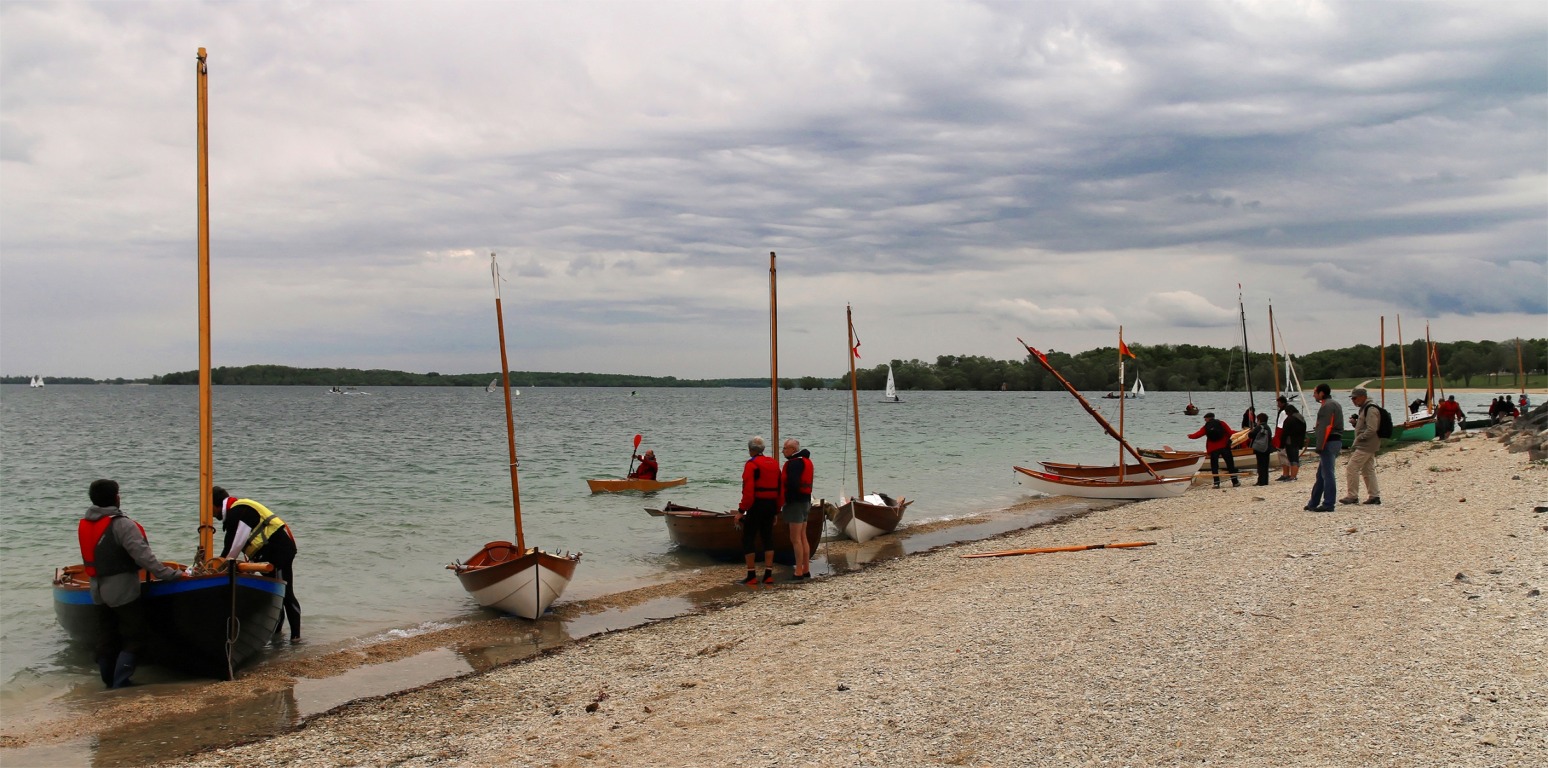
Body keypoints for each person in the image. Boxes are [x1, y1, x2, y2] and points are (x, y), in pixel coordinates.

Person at [78, 479, 184, 688]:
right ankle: (121, 682)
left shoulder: (85, 523)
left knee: (107, 636)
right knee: (136, 635)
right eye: (118, 493)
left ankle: (107, 681)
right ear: (116, 497)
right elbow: (144, 557)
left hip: (96, 590)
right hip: (122, 590)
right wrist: (170, 574)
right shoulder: (121, 524)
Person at [213, 487, 300, 641]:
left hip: (279, 551)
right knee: (276, 593)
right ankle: (277, 637)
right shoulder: (237, 510)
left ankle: (295, 638)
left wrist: (216, 570)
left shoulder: (238, 512)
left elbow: (233, 548)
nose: (210, 514)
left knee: (285, 593)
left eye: (209, 508)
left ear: (216, 504)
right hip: (268, 553)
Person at [736, 437, 781, 586]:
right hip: (771, 505)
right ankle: (768, 575)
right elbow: (780, 489)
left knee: (748, 538)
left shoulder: (751, 465)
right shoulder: (774, 463)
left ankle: (751, 576)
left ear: (751, 450)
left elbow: (748, 492)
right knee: (768, 538)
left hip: (756, 505)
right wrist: (777, 510)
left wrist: (741, 511)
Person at [1305, 383, 1344, 512]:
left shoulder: (1326, 406)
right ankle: (1313, 503)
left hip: (1329, 442)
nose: (1313, 395)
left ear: (1322, 393)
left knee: (1327, 474)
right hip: (1336, 441)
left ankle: (1328, 504)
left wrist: (1319, 446)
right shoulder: (1335, 404)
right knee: (1321, 475)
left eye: (1315, 393)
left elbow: (1325, 428)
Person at [1339, 388, 1382, 505]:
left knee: (1352, 467)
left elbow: (1372, 429)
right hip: (1369, 444)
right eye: (1352, 398)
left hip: (1366, 444)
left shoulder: (1371, 408)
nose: (1353, 401)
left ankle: (1352, 496)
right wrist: (1356, 423)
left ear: (1363, 396)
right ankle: (1374, 496)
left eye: (1355, 398)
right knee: (1368, 469)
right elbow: (1366, 426)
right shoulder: (1365, 408)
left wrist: (1359, 438)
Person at [780, 438, 815, 580]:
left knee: (795, 539)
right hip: (806, 502)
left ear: (793, 449)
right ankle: (806, 568)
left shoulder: (794, 464)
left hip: (795, 504)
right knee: (802, 536)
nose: (783, 451)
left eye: (785, 448)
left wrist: (785, 501)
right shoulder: (805, 461)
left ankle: (798, 571)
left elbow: (793, 484)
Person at [1188, 412, 1239, 489]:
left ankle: (1216, 483)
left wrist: (1190, 436)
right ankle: (1235, 482)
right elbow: (1230, 432)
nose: (1205, 420)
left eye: (1205, 419)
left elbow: (1198, 435)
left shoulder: (1206, 427)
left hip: (1213, 449)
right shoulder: (1221, 423)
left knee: (1214, 467)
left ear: (1208, 418)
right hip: (1225, 447)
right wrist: (1239, 432)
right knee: (1230, 465)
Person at [1278, 403, 1306, 482]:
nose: (1286, 414)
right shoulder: (1301, 418)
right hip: (1298, 440)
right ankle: (1294, 476)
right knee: (1295, 458)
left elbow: (1285, 433)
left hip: (1290, 441)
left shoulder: (1289, 419)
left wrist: (1281, 444)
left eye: (1286, 412)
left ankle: (1293, 477)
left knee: (1292, 459)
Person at [1248, 412, 1273, 486]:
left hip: (1260, 448)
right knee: (1265, 465)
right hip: (1267, 448)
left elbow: (1251, 435)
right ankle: (1265, 481)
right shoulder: (1268, 427)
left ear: (1259, 420)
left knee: (1260, 465)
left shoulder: (1259, 427)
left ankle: (1260, 481)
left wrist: (1251, 431)